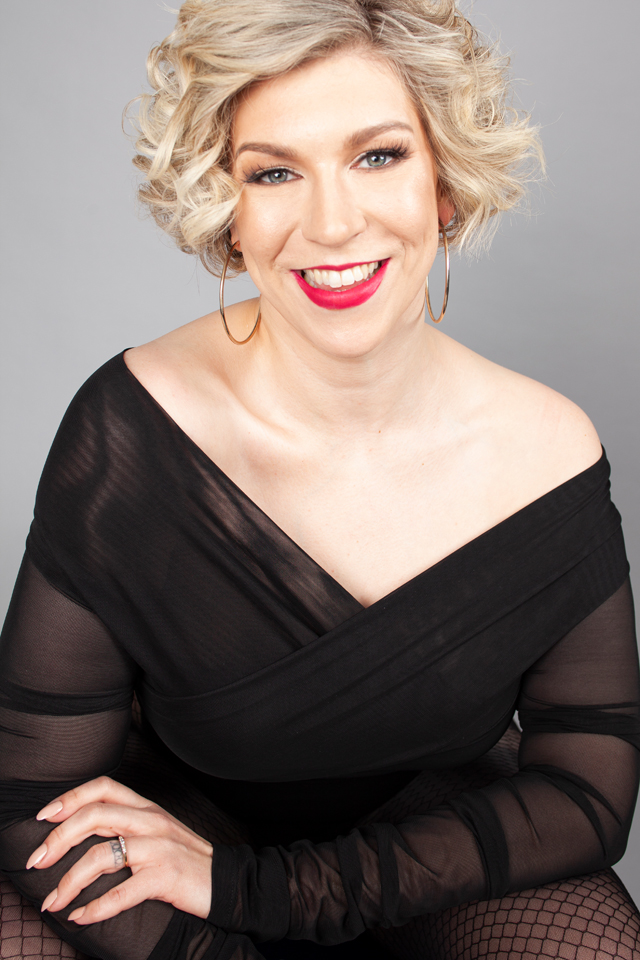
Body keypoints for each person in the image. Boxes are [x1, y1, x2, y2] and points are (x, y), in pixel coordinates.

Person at [1, 1, 639, 959]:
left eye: (378, 156)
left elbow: (587, 792)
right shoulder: (133, 427)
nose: (334, 223)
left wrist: (261, 892)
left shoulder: (548, 452)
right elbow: (30, 793)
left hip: (424, 848)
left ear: (446, 185)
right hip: (175, 826)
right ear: (228, 211)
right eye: (274, 172)